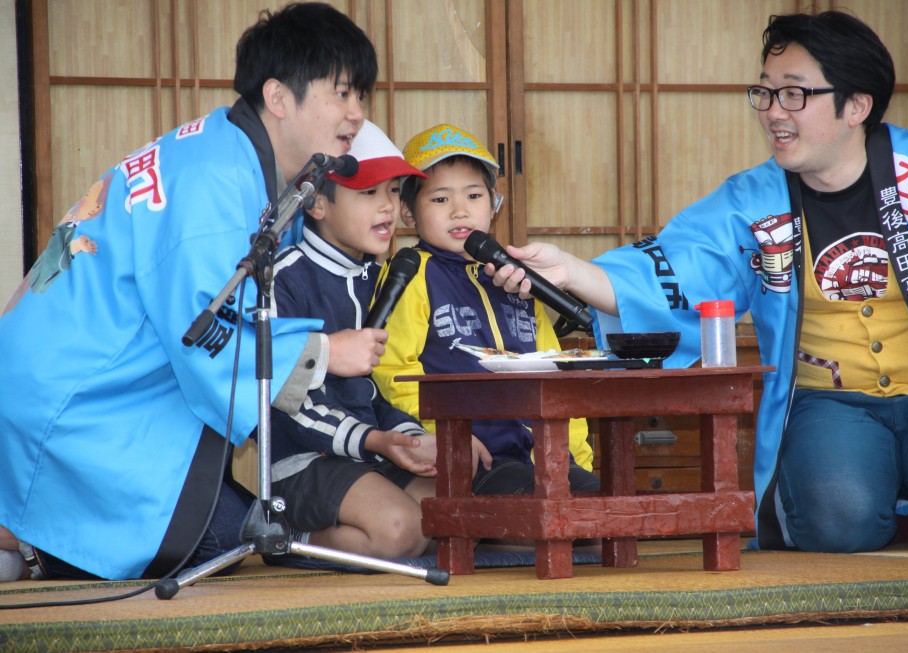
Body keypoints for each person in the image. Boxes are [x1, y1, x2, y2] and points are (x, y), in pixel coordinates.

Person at [487, 11, 908, 553]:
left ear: (856, 106)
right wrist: (572, 272)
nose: (773, 113)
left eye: (794, 95)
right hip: (832, 402)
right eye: (765, 94)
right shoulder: (750, 200)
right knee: (837, 522)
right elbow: (673, 273)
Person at [0, 2, 384, 581]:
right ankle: (26, 539)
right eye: (342, 94)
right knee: (212, 548)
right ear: (279, 98)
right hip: (77, 407)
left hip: (69, 381)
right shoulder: (214, 184)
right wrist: (327, 351)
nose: (357, 114)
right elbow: (204, 333)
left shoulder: (215, 150)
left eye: (361, 96)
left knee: (225, 534)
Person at [268, 120, 491, 559]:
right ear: (315, 204)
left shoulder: (379, 275)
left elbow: (376, 390)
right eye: (369, 194)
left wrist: (410, 438)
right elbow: (287, 402)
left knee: (466, 513)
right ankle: (280, 536)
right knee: (399, 530)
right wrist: (377, 441)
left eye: (392, 191)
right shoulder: (283, 278)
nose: (388, 207)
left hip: (372, 448)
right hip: (303, 460)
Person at [372, 123, 600, 497]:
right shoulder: (412, 273)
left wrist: (574, 455)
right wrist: (446, 437)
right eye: (441, 199)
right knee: (541, 517)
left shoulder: (514, 277)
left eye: (474, 196)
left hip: (547, 453)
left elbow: (556, 372)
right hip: (478, 456)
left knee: (602, 511)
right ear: (409, 213)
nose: (460, 211)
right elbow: (393, 371)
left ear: (494, 205)